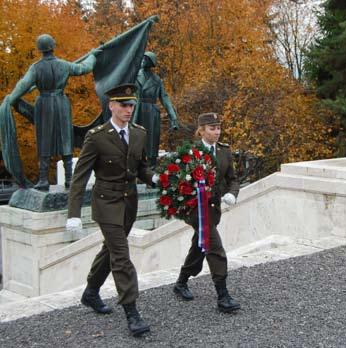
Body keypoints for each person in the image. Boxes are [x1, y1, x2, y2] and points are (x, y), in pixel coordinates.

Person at [65, 83, 158, 337]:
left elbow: (140, 168)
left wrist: (155, 178)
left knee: (110, 249)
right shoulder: (96, 136)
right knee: (120, 253)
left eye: (131, 105)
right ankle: (132, 311)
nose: (129, 109)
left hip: (129, 202)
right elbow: (80, 177)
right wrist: (73, 213)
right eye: (124, 105)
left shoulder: (139, 133)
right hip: (106, 203)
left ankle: (91, 292)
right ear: (111, 106)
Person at [5, 34, 99, 190]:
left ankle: (43, 180)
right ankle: (69, 179)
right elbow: (84, 68)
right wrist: (93, 56)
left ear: (40, 49)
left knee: (44, 140)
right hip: (61, 103)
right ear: (52, 47)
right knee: (65, 139)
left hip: (44, 105)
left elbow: (22, 85)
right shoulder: (64, 65)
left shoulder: (36, 68)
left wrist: (12, 98)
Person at [173, 112, 241, 313]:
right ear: (201, 130)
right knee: (214, 248)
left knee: (199, 245)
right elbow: (180, 183)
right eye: (212, 128)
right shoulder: (190, 152)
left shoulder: (224, 151)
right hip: (196, 210)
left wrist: (232, 194)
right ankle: (223, 296)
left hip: (214, 209)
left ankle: (181, 282)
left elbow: (233, 178)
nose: (217, 132)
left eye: (219, 128)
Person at [133, 51, 179, 168]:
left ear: (151, 63)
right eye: (143, 58)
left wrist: (172, 116)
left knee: (151, 141)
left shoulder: (156, 80)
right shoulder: (134, 75)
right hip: (136, 111)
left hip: (151, 112)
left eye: (146, 59)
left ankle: (150, 167)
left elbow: (164, 98)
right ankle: (135, 167)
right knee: (135, 138)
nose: (143, 61)